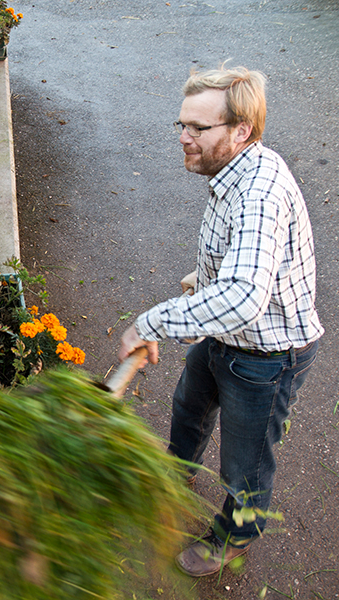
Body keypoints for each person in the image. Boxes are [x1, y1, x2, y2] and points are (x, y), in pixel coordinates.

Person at [118, 64, 324, 577]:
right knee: (189, 403)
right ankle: (176, 472)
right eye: (181, 125)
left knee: (245, 465)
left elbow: (242, 298)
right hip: (224, 334)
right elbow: (240, 269)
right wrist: (204, 279)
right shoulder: (233, 172)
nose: (183, 138)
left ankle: (236, 534)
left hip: (266, 355)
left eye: (197, 128)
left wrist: (150, 323)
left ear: (241, 130)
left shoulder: (259, 193)